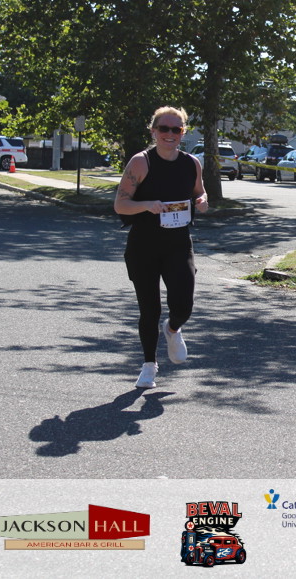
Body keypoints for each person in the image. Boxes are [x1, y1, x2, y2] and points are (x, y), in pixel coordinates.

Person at [114, 106, 209, 388]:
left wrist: (202, 201)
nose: (170, 134)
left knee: (184, 304)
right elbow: (120, 204)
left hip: (178, 243)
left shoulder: (191, 163)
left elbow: (200, 192)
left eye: (176, 129)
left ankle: (173, 329)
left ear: (183, 132)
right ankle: (149, 365)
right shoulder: (141, 162)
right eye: (164, 129)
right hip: (144, 245)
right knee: (149, 309)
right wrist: (147, 205)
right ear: (154, 131)